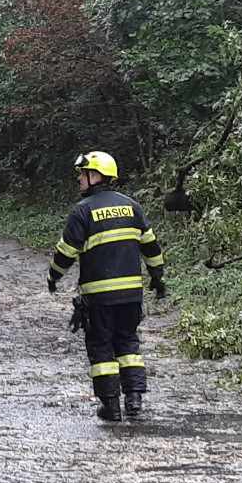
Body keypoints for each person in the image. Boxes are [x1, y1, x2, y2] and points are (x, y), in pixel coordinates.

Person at [46, 150, 166, 421]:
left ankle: (111, 406)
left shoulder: (83, 211)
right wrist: (157, 278)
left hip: (98, 296)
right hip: (131, 295)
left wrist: (53, 277)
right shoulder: (133, 207)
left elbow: (66, 251)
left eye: (82, 174)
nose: (79, 180)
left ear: (96, 175)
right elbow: (151, 246)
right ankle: (134, 400)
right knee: (128, 343)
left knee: (101, 348)